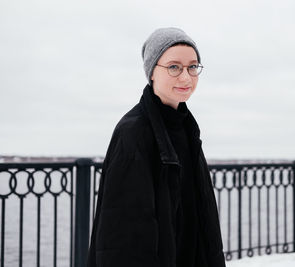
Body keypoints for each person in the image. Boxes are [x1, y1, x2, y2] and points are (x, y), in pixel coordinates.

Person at [87, 27, 226, 267]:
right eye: (174, 67)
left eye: (193, 67)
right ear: (152, 72)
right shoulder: (134, 131)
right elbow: (123, 236)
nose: (186, 77)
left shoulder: (186, 127)